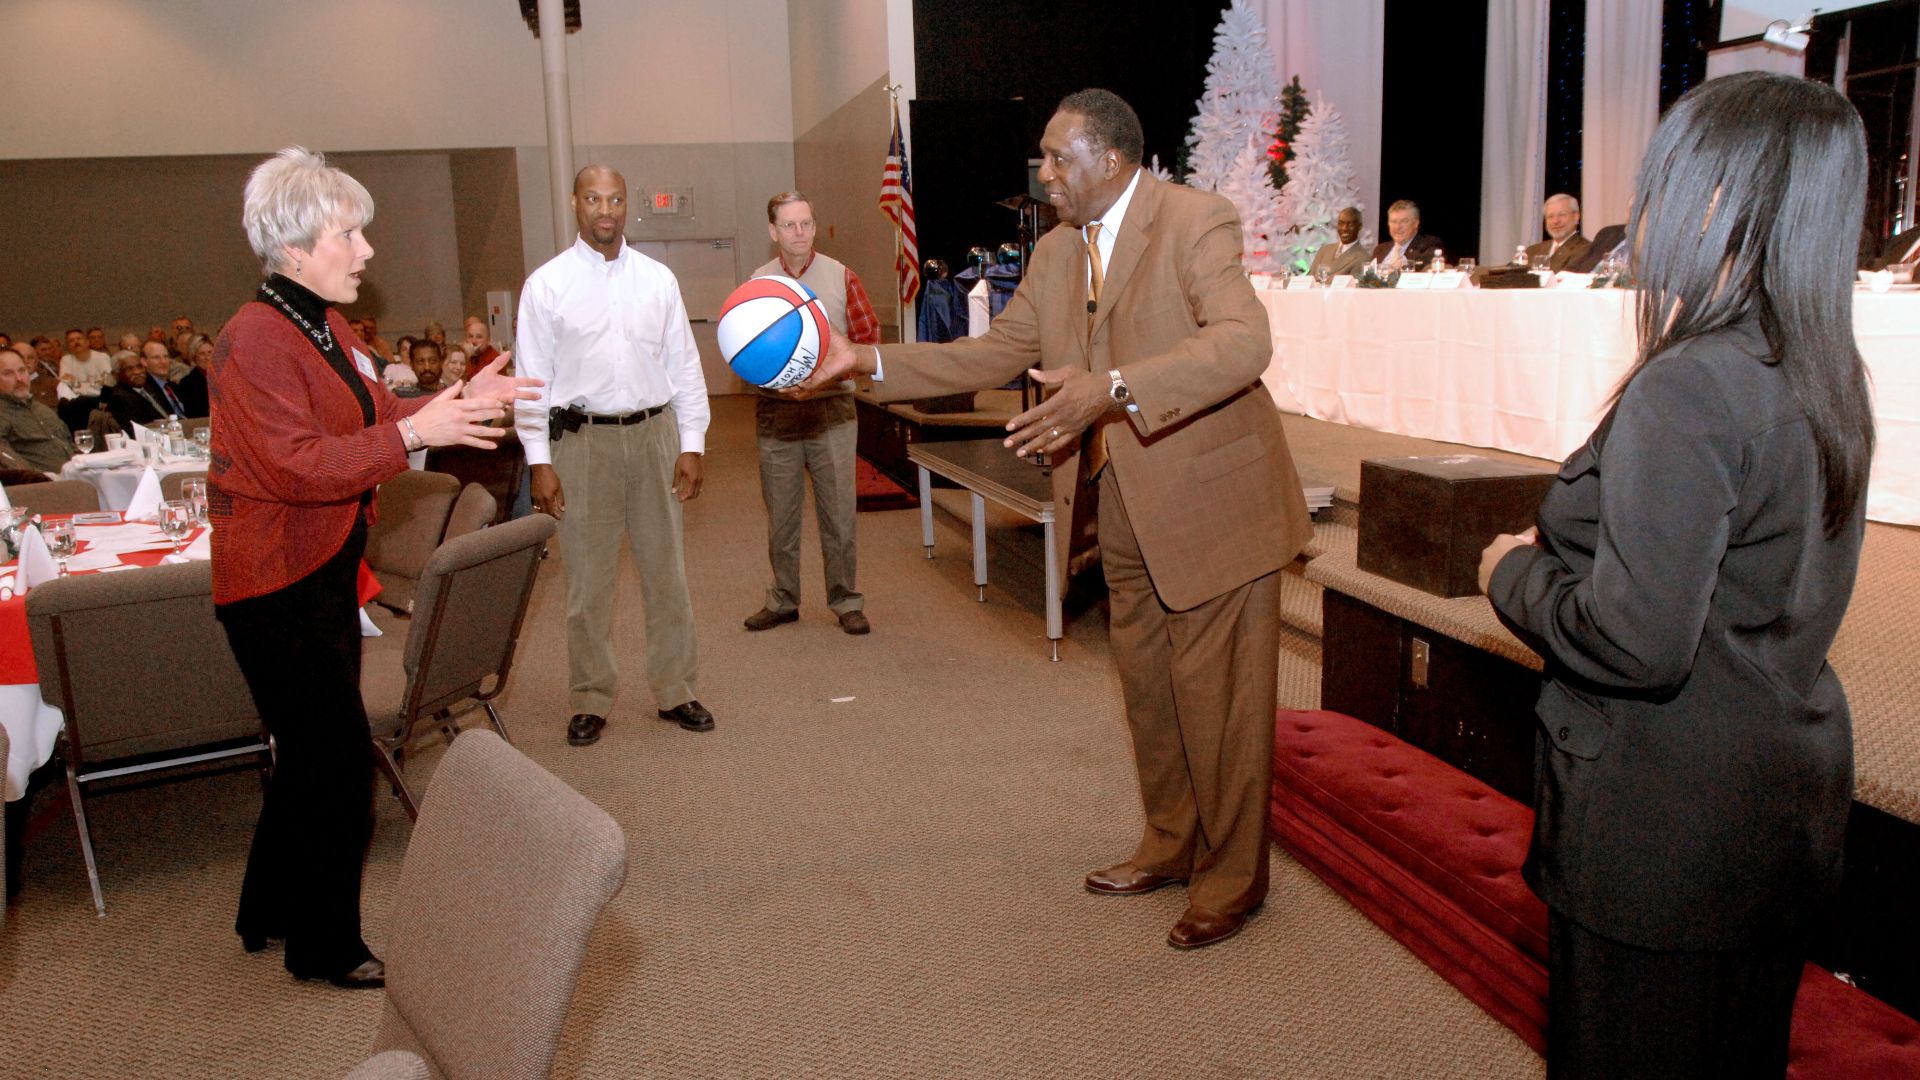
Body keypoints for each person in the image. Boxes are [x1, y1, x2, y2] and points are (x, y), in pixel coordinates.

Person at [800, 89, 1311, 950]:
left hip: (1219, 505)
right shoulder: (1057, 254)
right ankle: (1170, 840)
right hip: (1119, 502)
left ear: (1107, 160)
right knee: (1149, 691)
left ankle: (1234, 879)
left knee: (1221, 702)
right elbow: (991, 353)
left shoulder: (1197, 221)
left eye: (1055, 158)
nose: (1043, 173)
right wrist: (868, 360)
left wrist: (1109, 390)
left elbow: (1243, 344)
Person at [1477, 72, 1874, 1077]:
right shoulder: (1819, 363)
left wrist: (1509, 574)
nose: (1638, 212)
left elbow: (1636, 640)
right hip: (1773, 803)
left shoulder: (1691, 384)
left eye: (1660, 181)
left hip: (1662, 827)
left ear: (1717, 197)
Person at [210, 146, 535, 991]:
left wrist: (454, 401)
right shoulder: (254, 337)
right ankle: (324, 946)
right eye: (349, 234)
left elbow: (376, 411)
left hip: (320, 569)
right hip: (273, 581)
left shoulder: (324, 324)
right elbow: (296, 466)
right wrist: (421, 435)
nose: (365, 252)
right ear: (294, 245)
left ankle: (267, 909)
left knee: (312, 752)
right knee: (337, 761)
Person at [514, 163, 715, 746]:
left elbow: (685, 368)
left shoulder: (658, 280)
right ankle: (590, 696)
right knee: (587, 582)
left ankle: (676, 688)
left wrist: (692, 443)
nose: (606, 210)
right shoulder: (547, 285)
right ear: (575, 204)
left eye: (617, 199)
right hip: (580, 446)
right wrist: (538, 460)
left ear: (629, 206)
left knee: (667, 575)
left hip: (655, 437)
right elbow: (532, 381)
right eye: (594, 198)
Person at [741, 190, 878, 636]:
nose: (798, 233)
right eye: (788, 225)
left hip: (832, 410)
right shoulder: (757, 285)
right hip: (777, 415)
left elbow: (867, 339)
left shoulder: (842, 277)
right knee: (781, 515)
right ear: (772, 231)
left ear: (814, 228)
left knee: (839, 514)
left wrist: (832, 357)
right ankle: (783, 599)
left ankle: (846, 601)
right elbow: (741, 352)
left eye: (805, 224)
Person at [0, 346, 75, 473]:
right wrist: (39, 477)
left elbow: (69, 445)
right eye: (8, 373)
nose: (19, 378)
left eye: (22, 371)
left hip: (76, 477)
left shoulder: (42, 409)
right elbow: (4, 456)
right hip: (39, 486)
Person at [101, 350, 167, 432]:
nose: (137, 372)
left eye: (140, 367)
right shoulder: (119, 398)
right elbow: (136, 431)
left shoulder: (149, 387)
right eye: (129, 369)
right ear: (116, 374)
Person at [1524, 194, 1591, 273]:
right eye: (1550, 216)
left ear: (1576, 217)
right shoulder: (1532, 251)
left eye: (1562, 214)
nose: (1556, 221)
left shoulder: (1586, 249)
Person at [1370, 199, 1443, 270]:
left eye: (1404, 221)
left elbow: (1424, 267)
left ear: (1416, 223)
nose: (1398, 227)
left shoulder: (1429, 245)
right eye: (1393, 221)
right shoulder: (1380, 249)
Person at [1307, 206, 1368, 278]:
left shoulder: (1363, 258)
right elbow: (1309, 278)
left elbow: (1353, 287)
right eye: (1341, 223)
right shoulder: (1324, 250)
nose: (1344, 228)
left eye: (1350, 224)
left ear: (1359, 226)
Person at [139, 340, 191, 419]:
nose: (163, 362)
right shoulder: (144, 391)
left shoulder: (172, 386)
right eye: (156, 358)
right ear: (144, 362)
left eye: (166, 357)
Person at [176, 333, 214, 417]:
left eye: (210, 352)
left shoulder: (224, 377)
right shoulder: (187, 383)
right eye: (202, 354)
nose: (207, 357)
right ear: (194, 356)